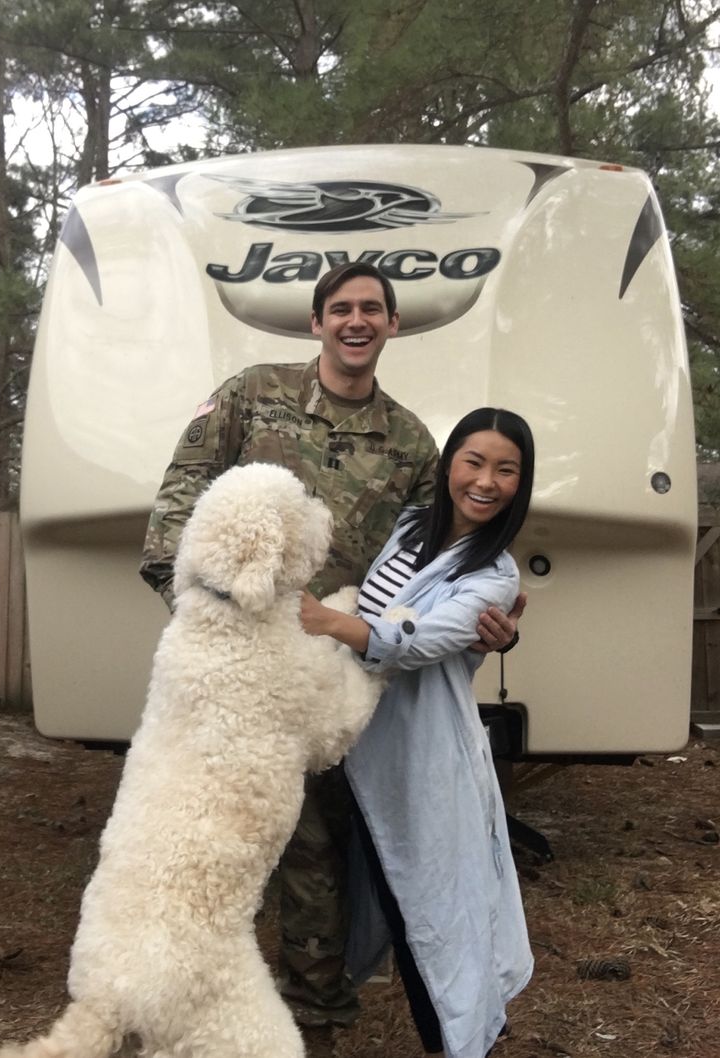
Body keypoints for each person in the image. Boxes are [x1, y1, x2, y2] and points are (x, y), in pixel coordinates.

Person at [139, 263, 524, 1052]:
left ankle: (314, 1023)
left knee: (322, 853)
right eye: (341, 308)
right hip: (235, 668)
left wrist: (485, 626)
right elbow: (179, 502)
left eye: (372, 310)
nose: (357, 321)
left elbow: (442, 560)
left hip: (333, 682)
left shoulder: (416, 443)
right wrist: (207, 622)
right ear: (316, 322)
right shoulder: (251, 395)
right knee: (205, 842)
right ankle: (177, 1001)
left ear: (390, 326)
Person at [299, 407, 535, 1058]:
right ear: (449, 464)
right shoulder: (405, 530)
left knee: (433, 913)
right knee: (385, 896)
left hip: (428, 761)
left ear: (522, 482)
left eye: (506, 469)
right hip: (362, 748)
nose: (486, 481)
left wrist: (323, 620)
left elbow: (419, 641)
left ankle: (466, 1041)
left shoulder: (496, 573)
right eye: (474, 462)